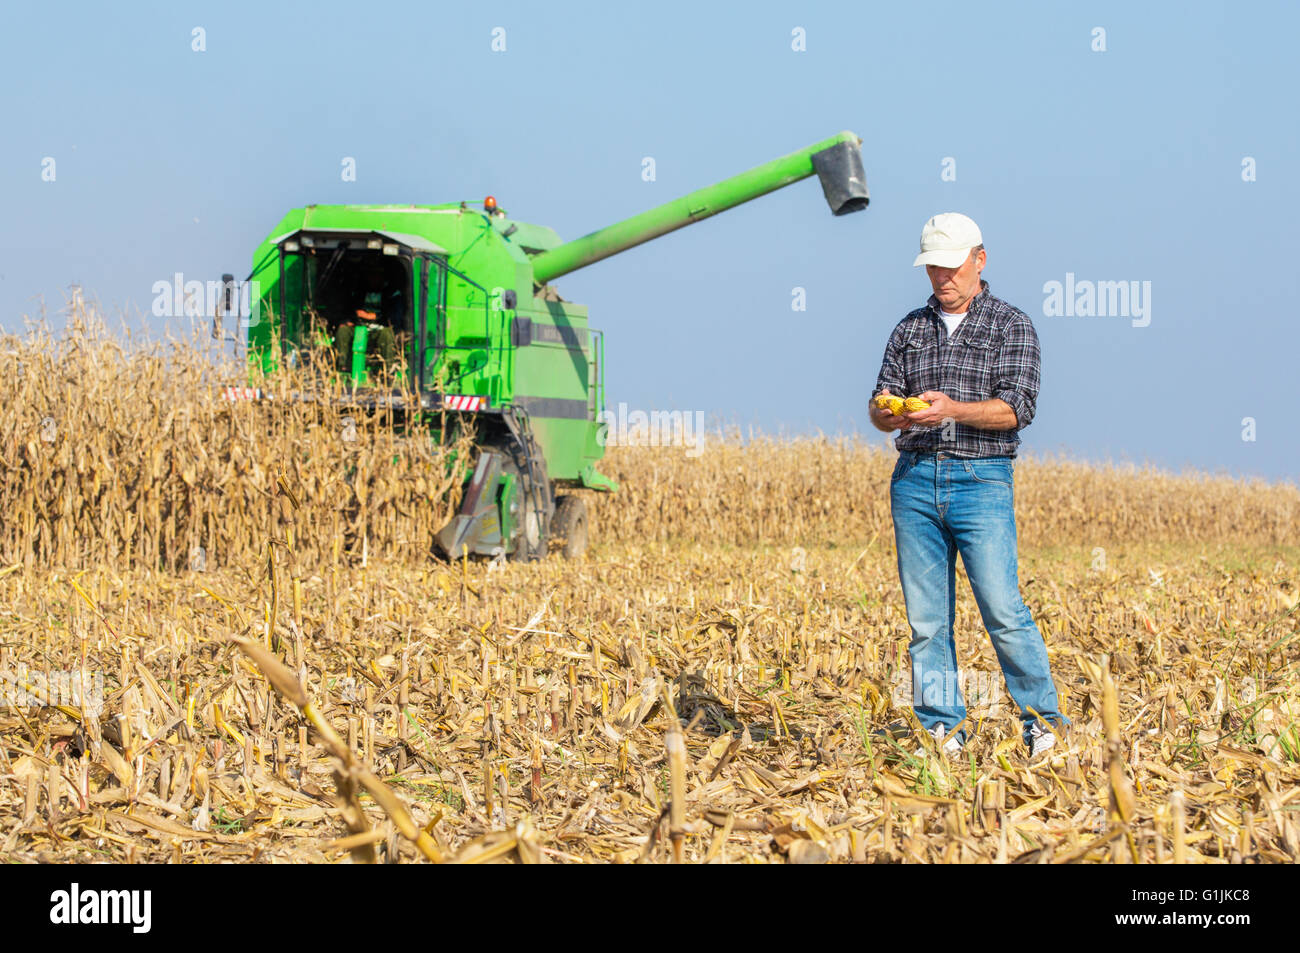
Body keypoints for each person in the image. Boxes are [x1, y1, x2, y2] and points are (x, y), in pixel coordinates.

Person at [869, 212, 1069, 759]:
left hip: (981, 480)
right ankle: (943, 730)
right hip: (913, 482)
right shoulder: (909, 328)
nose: (942, 277)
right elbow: (879, 402)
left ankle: (1042, 723)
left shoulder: (1011, 325)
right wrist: (889, 413)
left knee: (1003, 611)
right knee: (927, 621)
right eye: (933, 267)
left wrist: (951, 410)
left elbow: (1017, 409)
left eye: (952, 266)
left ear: (979, 260)